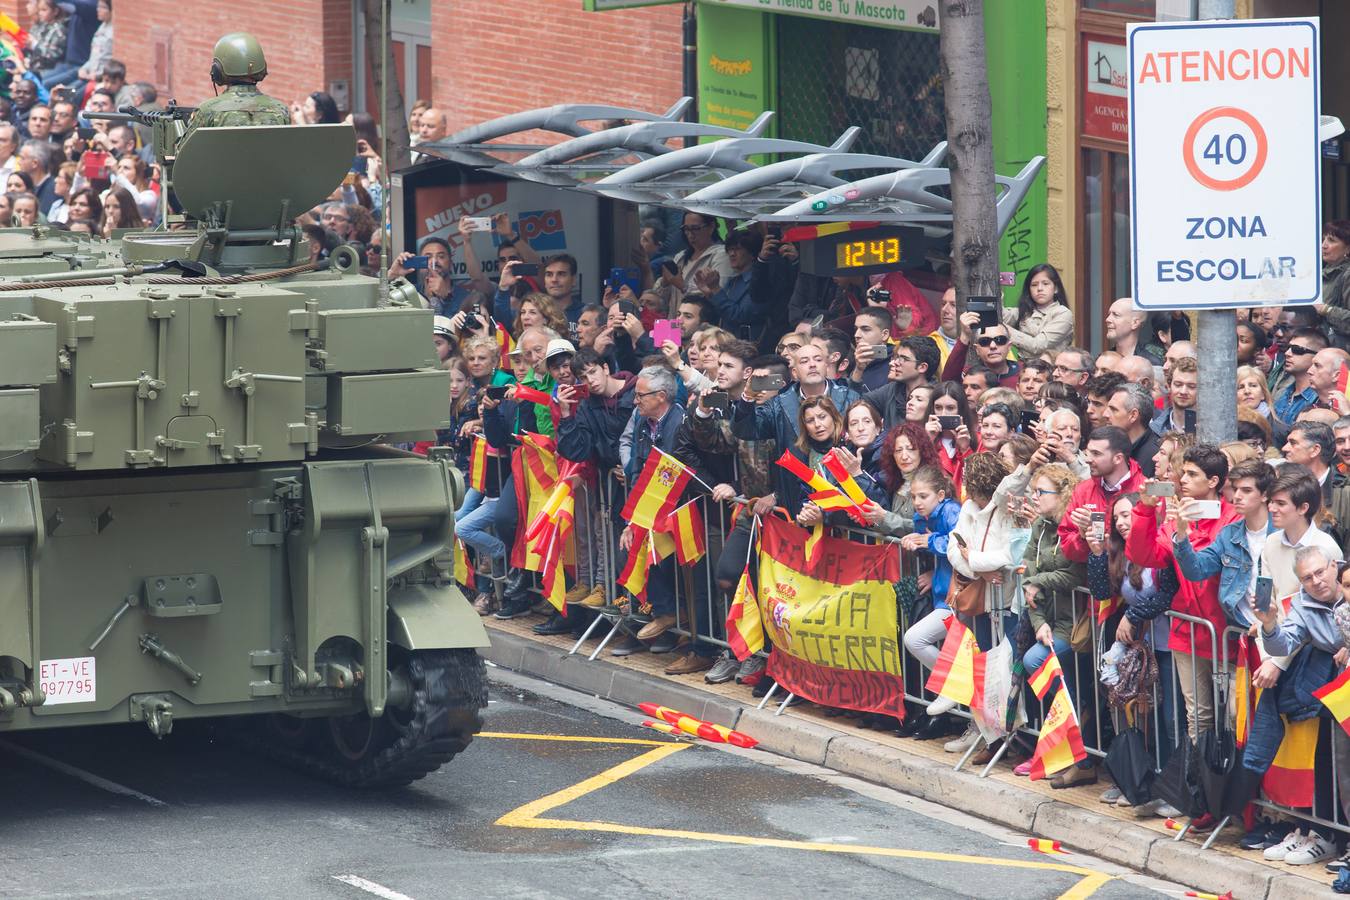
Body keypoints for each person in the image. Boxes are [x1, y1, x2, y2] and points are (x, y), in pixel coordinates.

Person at [1127, 445, 1242, 744]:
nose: (1183, 479)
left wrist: (1186, 535)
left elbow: (1205, 566)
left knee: (1233, 715)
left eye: (1192, 474)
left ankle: (1233, 786)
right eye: (1183, 473)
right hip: (1189, 630)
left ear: (1214, 481)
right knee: (1198, 715)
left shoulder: (1232, 520)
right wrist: (1145, 509)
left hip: (1226, 631)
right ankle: (1200, 784)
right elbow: (1144, 554)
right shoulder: (1176, 517)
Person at [1246, 545, 1344, 867]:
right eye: (1307, 578)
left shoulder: (1349, 582)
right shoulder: (1302, 605)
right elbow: (1284, 643)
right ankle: (1328, 835)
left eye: (1320, 572)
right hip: (1337, 694)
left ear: (1334, 565)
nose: (1316, 581)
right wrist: (1270, 624)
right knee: (1335, 764)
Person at [1016, 462, 1092, 786]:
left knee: (1039, 660)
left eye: (1041, 492)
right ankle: (1065, 740)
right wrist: (1038, 623)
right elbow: (1027, 575)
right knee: (1035, 659)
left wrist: (1036, 581)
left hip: (1075, 621)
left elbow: (1073, 575)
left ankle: (1077, 736)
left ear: (1061, 493)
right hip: (1049, 618)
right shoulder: (1040, 527)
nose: (1035, 497)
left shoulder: (1070, 526)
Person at [1059, 426, 1147, 563]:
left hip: (1136, 579)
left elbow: (1150, 545)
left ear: (1118, 458)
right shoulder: (1083, 490)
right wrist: (1082, 537)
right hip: (1094, 577)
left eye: (1096, 454)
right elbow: (1067, 550)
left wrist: (1097, 526)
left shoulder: (1146, 491)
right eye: (1088, 453)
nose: (1088, 459)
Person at [189, 33, 291, 129]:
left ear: (217, 71)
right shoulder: (281, 110)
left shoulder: (207, 111)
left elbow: (184, 147)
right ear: (262, 68)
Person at [1002, 264, 1074, 356]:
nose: (1039, 289)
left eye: (1045, 284)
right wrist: (997, 290)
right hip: (1024, 368)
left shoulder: (1063, 314)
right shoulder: (1024, 311)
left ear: (1056, 288)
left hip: (1051, 368)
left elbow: (1038, 346)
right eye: (1034, 285)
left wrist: (1005, 330)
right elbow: (999, 317)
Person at [1106, 383, 1162, 477]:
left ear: (1133, 415)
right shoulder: (1110, 446)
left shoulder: (1156, 457)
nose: (1105, 414)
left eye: (1113, 410)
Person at [1317, 220, 1350, 349]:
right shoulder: (1318, 274)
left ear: (1347, 247)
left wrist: (1325, 310)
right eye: (1323, 239)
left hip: (1339, 350)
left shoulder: (1347, 274)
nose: (1324, 245)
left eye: (1331, 240)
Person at [1104, 297, 1163, 365]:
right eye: (1109, 314)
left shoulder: (1152, 362)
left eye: (1116, 315)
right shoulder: (1104, 360)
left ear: (1135, 323)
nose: (1107, 319)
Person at [1149, 357, 1199, 437]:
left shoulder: (1212, 431)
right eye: (1178, 385)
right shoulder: (1153, 430)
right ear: (1169, 386)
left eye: (1191, 386)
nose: (1183, 391)